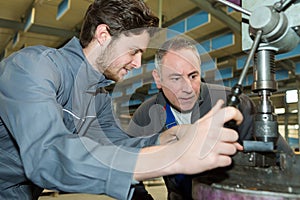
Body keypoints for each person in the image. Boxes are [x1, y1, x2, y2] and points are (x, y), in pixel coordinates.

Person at [0, 0, 244, 199]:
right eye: (133, 51)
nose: (138, 63)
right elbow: (48, 155)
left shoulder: (99, 97)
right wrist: (173, 157)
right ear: (104, 35)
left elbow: (114, 148)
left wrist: (166, 139)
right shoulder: (33, 66)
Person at [127, 36, 292, 200]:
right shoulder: (145, 115)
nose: (188, 88)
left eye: (193, 76)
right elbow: (124, 164)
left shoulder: (233, 104)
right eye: (176, 78)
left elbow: (284, 159)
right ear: (158, 79)